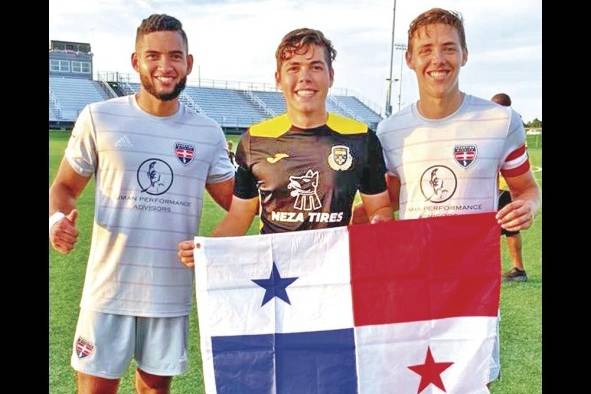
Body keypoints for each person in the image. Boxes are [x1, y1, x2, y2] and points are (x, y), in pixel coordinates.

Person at [351, 8, 541, 385]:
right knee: (410, 382)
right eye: (426, 49)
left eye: (448, 48)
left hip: (473, 287)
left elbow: (526, 189)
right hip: (411, 282)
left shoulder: (500, 121)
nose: (437, 60)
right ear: (409, 58)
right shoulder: (390, 131)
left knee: (472, 383)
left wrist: (528, 207)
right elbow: (384, 204)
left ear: (465, 55)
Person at [49, 14, 235, 394]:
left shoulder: (208, 133)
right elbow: (64, 187)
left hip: (169, 290)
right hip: (108, 287)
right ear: (135, 61)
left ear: (189, 63)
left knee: (154, 389)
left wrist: (212, 247)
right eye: (153, 56)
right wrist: (55, 219)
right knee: (96, 389)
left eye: (175, 56)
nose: (164, 67)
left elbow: (239, 205)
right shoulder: (99, 117)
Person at [178, 27, 393, 267]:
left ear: (330, 76)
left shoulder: (361, 138)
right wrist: (208, 248)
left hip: (334, 275)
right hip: (276, 277)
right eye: (294, 68)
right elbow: (240, 214)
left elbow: (380, 207)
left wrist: (380, 221)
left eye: (316, 66)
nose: (305, 77)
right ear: (278, 79)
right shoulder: (255, 140)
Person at [491, 93, 528, 282]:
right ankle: (518, 269)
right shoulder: (514, 122)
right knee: (509, 229)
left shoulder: (504, 125)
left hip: (504, 187)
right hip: (508, 186)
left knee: (504, 229)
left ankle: (518, 269)